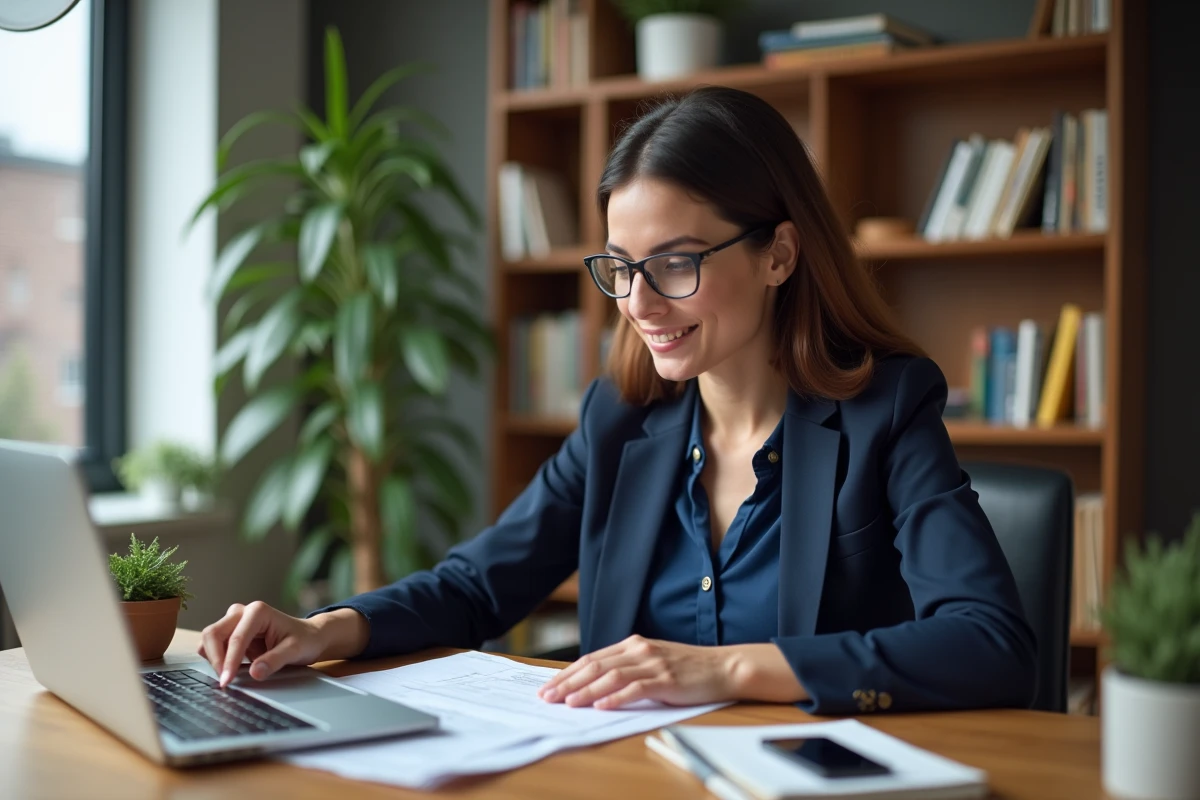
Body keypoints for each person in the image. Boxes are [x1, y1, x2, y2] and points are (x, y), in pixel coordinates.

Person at [200, 86, 1037, 716]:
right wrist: (325, 629)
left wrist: (731, 668)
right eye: (621, 267)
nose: (638, 302)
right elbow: (477, 587)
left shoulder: (885, 410)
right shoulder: (621, 420)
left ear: (780, 254)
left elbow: (992, 644)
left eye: (676, 263)